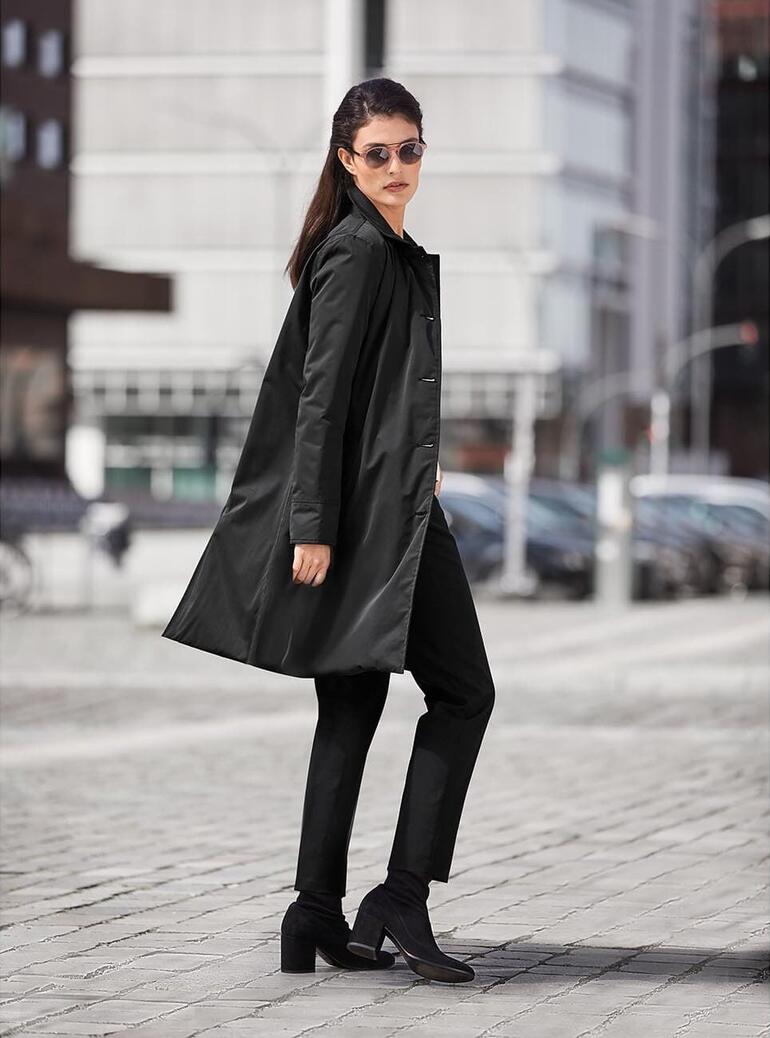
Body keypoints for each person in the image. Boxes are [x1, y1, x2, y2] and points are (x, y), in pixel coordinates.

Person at [278, 79, 496, 985]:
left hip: (383, 500)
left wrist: (415, 456)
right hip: (373, 521)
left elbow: (378, 390)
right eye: (378, 153)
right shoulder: (360, 250)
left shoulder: (386, 248)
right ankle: (401, 896)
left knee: (353, 703)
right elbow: (320, 397)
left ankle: (314, 911)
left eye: (410, 150)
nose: (397, 166)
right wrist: (313, 525)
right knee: (465, 692)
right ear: (346, 159)